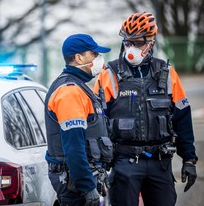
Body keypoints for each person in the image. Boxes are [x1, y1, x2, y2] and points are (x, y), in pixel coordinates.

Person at [94, 12, 198, 206]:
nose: (131, 48)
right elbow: (97, 122)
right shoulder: (109, 74)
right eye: (127, 42)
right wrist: (99, 166)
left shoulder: (167, 74)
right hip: (124, 163)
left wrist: (189, 160)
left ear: (150, 43)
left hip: (160, 163)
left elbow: (182, 118)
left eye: (138, 43)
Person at [45, 34, 112, 206]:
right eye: (94, 54)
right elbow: (73, 146)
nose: (98, 59)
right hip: (75, 186)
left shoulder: (78, 86)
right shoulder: (70, 92)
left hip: (80, 180)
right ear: (79, 57)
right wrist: (86, 186)